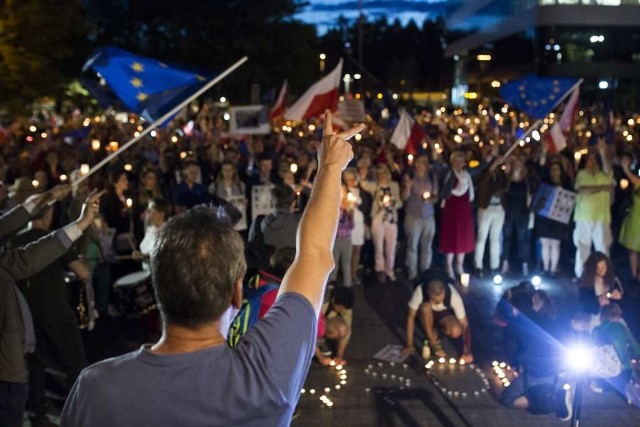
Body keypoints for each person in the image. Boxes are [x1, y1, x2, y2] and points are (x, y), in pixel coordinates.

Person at [60, 111, 365, 426]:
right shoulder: (265, 376)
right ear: (236, 292)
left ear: (158, 288)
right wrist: (329, 167)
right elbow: (314, 256)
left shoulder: (95, 390)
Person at [0, 185, 102, 427]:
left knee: (36, 365)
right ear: (48, 217)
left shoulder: (14, 239)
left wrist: (43, 199)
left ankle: (38, 413)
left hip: (22, 338)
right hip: (6, 370)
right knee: (73, 361)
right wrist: (82, 223)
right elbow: (32, 256)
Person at [500, 290, 572, 420]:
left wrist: (517, 366)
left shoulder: (514, 325)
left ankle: (548, 401)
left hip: (534, 373)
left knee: (507, 399)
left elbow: (512, 353)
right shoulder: (546, 318)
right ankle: (556, 392)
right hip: (559, 370)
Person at [403, 274, 473, 363]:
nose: (438, 302)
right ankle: (433, 342)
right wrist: (409, 344)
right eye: (435, 301)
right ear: (428, 294)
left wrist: (467, 351)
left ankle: (436, 330)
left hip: (442, 313)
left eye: (441, 299)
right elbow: (410, 317)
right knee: (425, 308)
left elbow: (464, 324)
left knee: (456, 331)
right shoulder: (420, 292)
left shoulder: (453, 295)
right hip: (425, 312)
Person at [573, 142, 614, 278]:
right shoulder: (581, 174)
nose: (592, 162)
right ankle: (582, 276)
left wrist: (602, 152)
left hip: (601, 217)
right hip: (583, 217)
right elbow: (582, 190)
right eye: (589, 159)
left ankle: (604, 276)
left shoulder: (605, 174)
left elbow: (608, 170)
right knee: (582, 247)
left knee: (602, 248)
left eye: (594, 160)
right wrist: (602, 188)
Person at [592, 303, 640, 402]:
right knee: (628, 372)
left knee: (606, 379)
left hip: (601, 370)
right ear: (617, 315)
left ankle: (603, 386)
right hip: (623, 370)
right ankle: (627, 386)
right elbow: (635, 347)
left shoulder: (596, 330)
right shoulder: (622, 328)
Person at [438, 151, 475, 279]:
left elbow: (480, 169)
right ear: (452, 162)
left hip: (464, 210)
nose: (459, 164)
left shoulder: (466, 175)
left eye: (461, 161)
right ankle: (448, 266)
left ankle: (459, 265)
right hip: (451, 209)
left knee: (463, 237)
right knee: (451, 236)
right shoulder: (448, 173)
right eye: (456, 161)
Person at [402, 154, 439, 281]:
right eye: (419, 161)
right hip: (413, 216)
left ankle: (425, 270)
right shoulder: (410, 176)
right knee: (412, 245)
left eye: (424, 162)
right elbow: (404, 197)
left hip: (428, 216)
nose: (421, 164)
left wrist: (430, 199)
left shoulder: (432, 177)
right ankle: (413, 272)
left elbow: (436, 196)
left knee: (427, 246)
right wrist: (408, 186)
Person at [473, 154, 508, 278]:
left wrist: (507, 171)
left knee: (495, 238)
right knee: (481, 237)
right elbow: (481, 181)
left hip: (499, 208)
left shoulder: (501, 174)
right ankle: (478, 265)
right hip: (485, 208)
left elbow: (505, 186)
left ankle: (495, 265)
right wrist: (491, 167)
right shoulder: (484, 172)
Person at [371, 164, 402, 282]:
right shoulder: (375, 186)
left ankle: (390, 270)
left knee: (391, 247)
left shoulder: (394, 186)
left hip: (391, 219)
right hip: (378, 219)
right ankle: (380, 270)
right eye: (380, 174)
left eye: (385, 173)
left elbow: (399, 202)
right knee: (379, 247)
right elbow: (363, 183)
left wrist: (393, 203)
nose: (383, 176)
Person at [578, 251, 623, 319]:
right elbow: (583, 299)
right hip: (594, 313)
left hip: (612, 312)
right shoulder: (586, 278)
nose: (601, 271)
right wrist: (597, 301)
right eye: (597, 269)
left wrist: (617, 294)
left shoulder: (613, 273)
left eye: (603, 268)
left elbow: (621, 291)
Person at [618, 154, 640, 284]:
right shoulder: (638, 183)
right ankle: (633, 275)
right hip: (635, 220)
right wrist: (625, 167)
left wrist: (625, 168)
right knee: (633, 250)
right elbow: (631, 177)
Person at [328, 186, 354, 287]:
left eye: (342, 192)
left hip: (346, 240)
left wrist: (351, 215)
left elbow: (351, 226)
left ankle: (348, 286)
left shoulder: (348, 209)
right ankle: (331, 287)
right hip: (335, 240)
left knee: (346, 265)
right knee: (334, 265)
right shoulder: (332, 207)